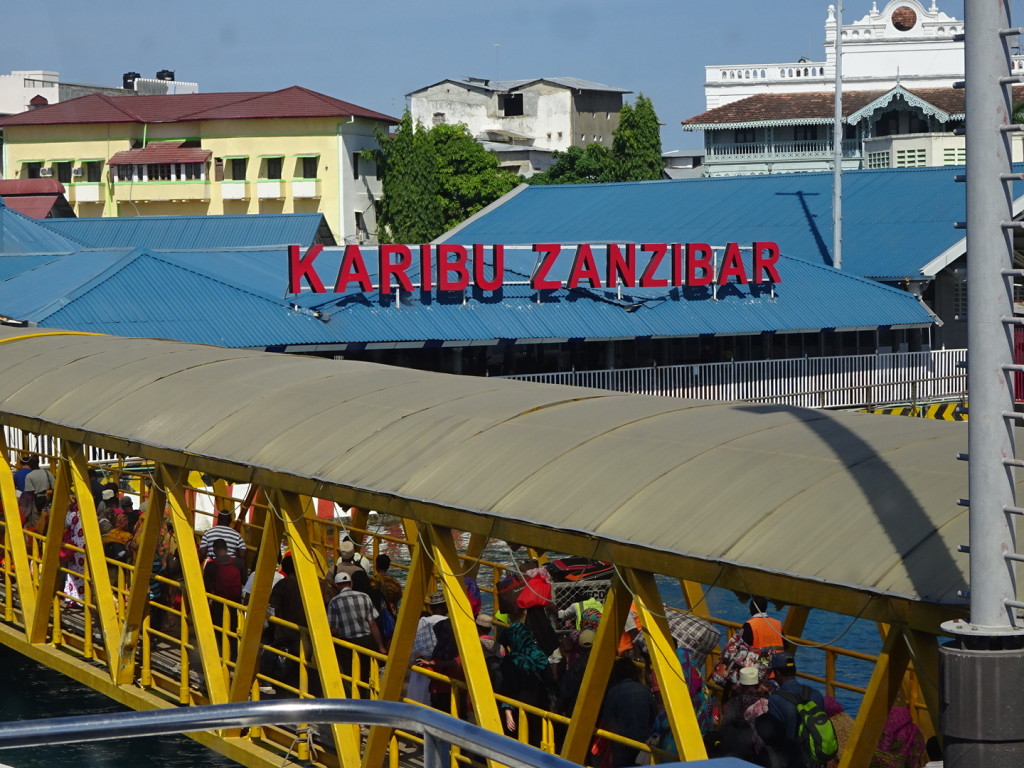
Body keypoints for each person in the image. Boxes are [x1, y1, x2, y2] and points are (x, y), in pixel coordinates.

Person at [327, 570, 384, 696]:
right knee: (368, 673)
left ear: (336, 585)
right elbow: (372, 623)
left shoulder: (334, 602)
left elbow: (334, 629)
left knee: (351, 676)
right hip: (367, 641)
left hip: (348, 644)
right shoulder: (364, 596)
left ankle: (354, 698)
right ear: (351, 583)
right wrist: (380, 646)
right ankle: (370, 696)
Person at [766, 652, 831, 764]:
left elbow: (775, 737)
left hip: (790, 759)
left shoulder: (775, 700)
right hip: (815, 758)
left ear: (777, 673)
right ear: (795, 670)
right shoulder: (816, 694)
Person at [598, 657, 655, 768]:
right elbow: (653, 715)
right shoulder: (645, 690)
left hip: (622, 741)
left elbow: (608, 718)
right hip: (643, 740)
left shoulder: (613, 692)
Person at [203, 538, 247, 659]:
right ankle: (234, 655)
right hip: (235, 603)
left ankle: (223, 655)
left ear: (215, 550)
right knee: (233, 629)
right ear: (226, 549)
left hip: (218, 603)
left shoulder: (211, 566)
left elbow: (206, 586)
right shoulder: (238, 563)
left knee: (219, 629)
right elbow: (244, 581)